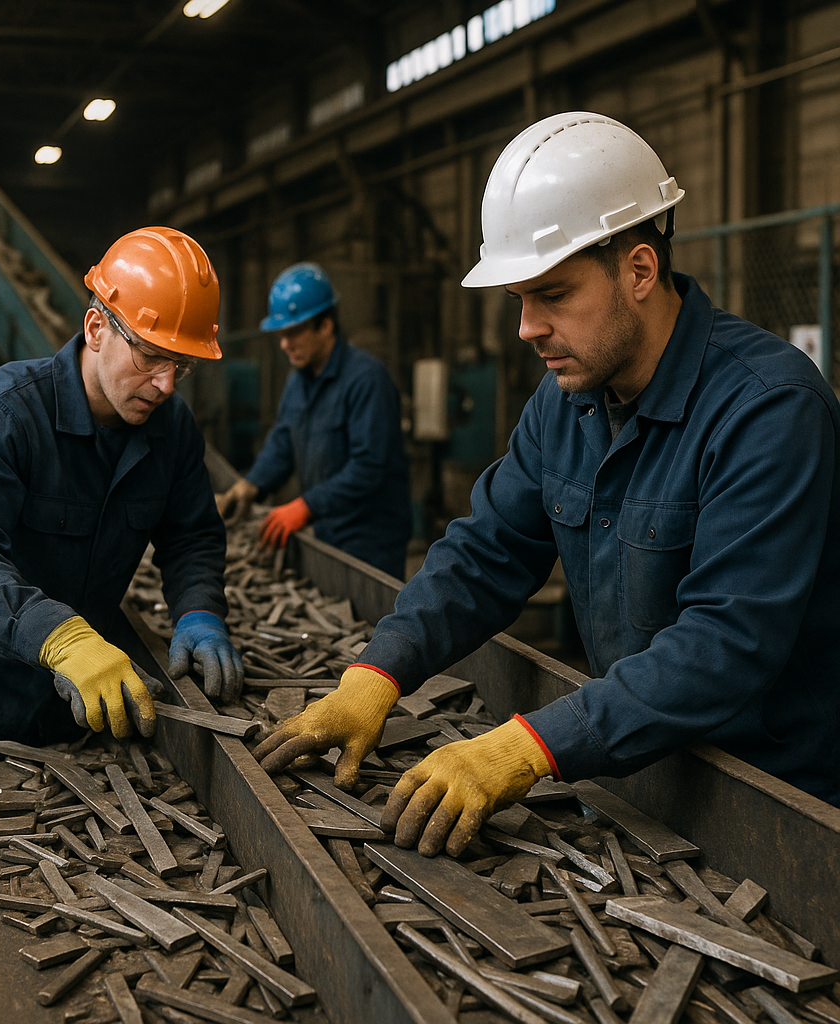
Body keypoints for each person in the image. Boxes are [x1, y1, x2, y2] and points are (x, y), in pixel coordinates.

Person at [254, 111, 840, 859]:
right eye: (519, 301)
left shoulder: (769, 410)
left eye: (553, 295)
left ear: (638, 270)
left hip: (776, 806)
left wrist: (527, 746)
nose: (528, 329)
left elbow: (725, 644)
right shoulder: (567, 402)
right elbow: (487, 550)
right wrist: (378, 671)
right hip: (642, 779)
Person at [0, 226, 244, 1024]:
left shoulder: (171, 431)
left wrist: (198, 606)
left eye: (181, 365)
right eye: (150, 355)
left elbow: (190, 533)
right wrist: (64, 636)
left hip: (62, 705)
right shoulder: (5, 411)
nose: (165, 383)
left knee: (45, 907)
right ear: (95, 328)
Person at [216, 262, 412, 580]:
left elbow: (370, 467)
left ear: (326, 325)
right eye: (281, 333)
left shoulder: (366, 380)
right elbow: (282, 442)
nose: (284, 343)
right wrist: (250, 486)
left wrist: (304, 506)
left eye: (293, 332)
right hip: (327, 531)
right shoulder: (298, 382)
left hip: (371, 541)